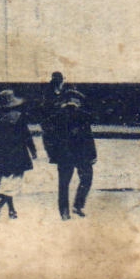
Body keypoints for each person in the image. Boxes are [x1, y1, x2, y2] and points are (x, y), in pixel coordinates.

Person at [45, 89, 97, 219]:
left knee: (63, 184)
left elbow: (48, 136)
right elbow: (88, 137)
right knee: (86, 179)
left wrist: (52, 153)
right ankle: (78, 205)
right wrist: (93, 155)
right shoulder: (84, 116)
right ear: (77, 101)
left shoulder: (56, 116)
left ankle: (64, 212)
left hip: (64, 155)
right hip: (82, 155)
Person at [0, 89, 36, 219]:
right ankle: (8, 208)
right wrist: (33, 150)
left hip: (0, 152)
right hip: (17, 151)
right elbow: (26, 135)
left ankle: (8, 208)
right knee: (14, 180)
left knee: (3, 181)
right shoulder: (19, 116)